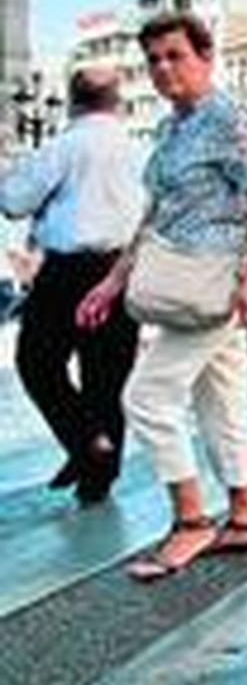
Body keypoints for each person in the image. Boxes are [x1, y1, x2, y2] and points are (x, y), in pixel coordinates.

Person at [76, 15, 247, 580]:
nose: (164, 69)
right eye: (154, 61)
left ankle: (191, 522)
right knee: (222, 402)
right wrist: (113, 281)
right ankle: (244, 518)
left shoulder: (230, 119)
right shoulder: (170, 131)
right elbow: (155, 215)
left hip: (212, 279)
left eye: (175, 56)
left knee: (146, 397)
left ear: (205, 56)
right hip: (179, 276)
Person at [0, 67, 145, 501]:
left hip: (66, 272)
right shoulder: (140, 150)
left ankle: (85, 442)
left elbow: (12, 202)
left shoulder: (61, 147)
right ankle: (98, 475)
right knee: (108, 377)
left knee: (38, 363)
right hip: (122, 269)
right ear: (118, 102)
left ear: (71, 101)